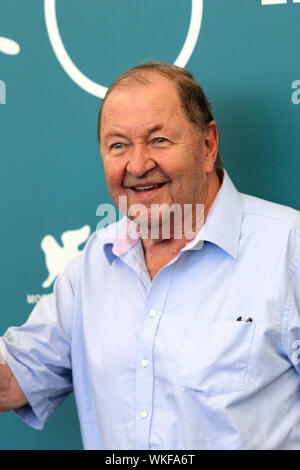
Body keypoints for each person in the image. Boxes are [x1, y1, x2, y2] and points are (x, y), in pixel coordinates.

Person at [0, 61, 300, 450]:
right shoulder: (94, 263)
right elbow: (13, 379)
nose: (138, 165)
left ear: (208, 145)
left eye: (159, 140)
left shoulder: (287, 248)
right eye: (118, 145)